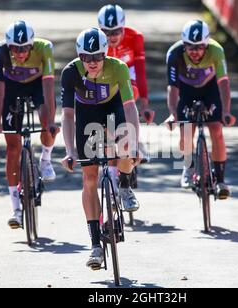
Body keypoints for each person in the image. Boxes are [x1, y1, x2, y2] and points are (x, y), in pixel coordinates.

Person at [60, 28, 141, 269]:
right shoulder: (70, 73)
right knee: (89, 178)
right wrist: (69, 150)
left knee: (126, 141)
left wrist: (134, 143)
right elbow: (67, 115)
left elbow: (129, 107)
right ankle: (95, 245)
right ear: (79, 56)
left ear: (105, 54)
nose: (92, 62)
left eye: (97, 57)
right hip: (86, 114)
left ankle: (125, 186)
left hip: (113, 108)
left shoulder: (118, 68)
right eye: (86, 57)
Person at [0, 21, 59, 229]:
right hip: (11, 88)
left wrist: (51, 122)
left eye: (25, 48)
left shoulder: (45, 48)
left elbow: (48, 85)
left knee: (46, 119)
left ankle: (46, 159)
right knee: (12, 148)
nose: (20, 53)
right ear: (8, 46)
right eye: (16, 49)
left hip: (37, 86)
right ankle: (16, 209)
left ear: (32, 44)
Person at [166, 20, 236, 199]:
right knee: (186, 132)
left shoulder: (216, 51)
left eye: (199, 47)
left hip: (210, 89)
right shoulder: (174, 54)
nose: (195, 52)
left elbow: (224, 82)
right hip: (187, 91)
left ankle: (220, 180)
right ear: (184, 45)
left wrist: (226, 111)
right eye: (190, 47)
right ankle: (188, 168)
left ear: (206, 45)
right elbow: (173, 88)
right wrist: (173, 114)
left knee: (216, 129)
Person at [98, 4, 155, 187]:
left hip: (128, 76)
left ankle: (134, 141)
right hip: (105, 78)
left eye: (116, 31)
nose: (111, 37)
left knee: (127, 98)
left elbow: (141, 72)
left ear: (123, 28)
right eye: (106, 32)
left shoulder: (135, 37)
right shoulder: (96, 40)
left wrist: (145, 105)